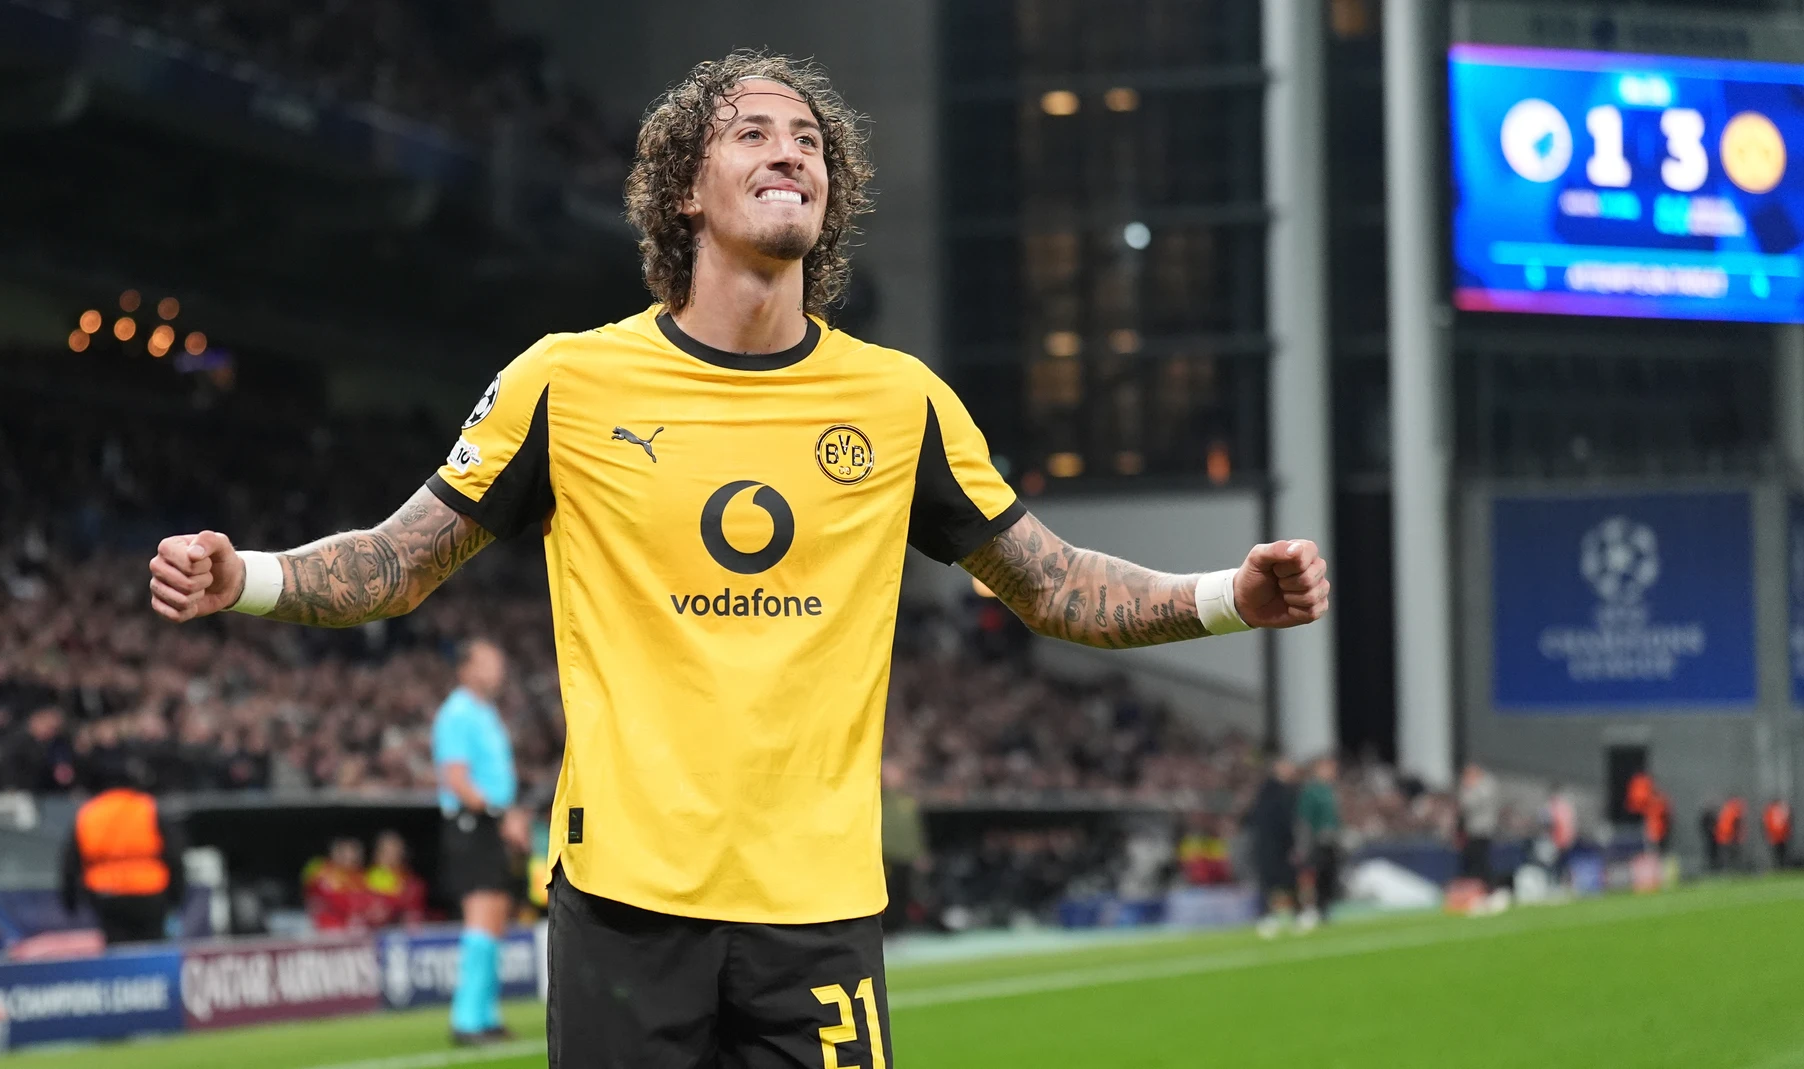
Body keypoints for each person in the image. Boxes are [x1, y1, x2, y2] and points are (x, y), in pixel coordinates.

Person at [143, 50, 1333, 1067]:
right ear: (684, 190)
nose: (789, 151)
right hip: (625, 906)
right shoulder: (567, 381)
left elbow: (1053, 583)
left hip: (819, 911)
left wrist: (1227, 597)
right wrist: (247, 576)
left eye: (808, 139)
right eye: (753, 132)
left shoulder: (900, 401)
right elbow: (400, 560)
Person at [431, 640, 524, 1046]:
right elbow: (456, 778)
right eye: (488, 662)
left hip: (493, 823)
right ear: (465, 668)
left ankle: (487, 1013)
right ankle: (466, 1019)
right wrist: (499, 815)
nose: (497, 670)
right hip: (474, 823)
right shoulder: (457, 713)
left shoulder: (486, 712)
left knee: (497, 917)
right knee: (481, 916)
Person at [58, 776, 185, 945]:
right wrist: (177, 895)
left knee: (117, 949)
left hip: (107, 894)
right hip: (150, 893)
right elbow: (174, 854)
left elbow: (71, 861)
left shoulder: (89, 812)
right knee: (152, 948)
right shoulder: (147, 807)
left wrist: (70, 901)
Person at [1247, 758, 1300, 938]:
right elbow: (1281, 821)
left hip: (1272, 844)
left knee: (1285, 880)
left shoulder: (1276, 791)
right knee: (1273, 881)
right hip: (1271, 844)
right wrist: (1290, 842)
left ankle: (1290, 914)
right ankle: (1269, 916)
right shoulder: (1273, 792)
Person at [878, 758, 929, 931]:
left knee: (904, 893)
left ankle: (898, 928)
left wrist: (920, 853)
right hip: (884, 857)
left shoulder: (908, 802)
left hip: (905, 857)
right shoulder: (877, 799)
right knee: (886, 894)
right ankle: (887, 929)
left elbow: (915, 830)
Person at [1296, 756, 1341, 929]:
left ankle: (1324, 909)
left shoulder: (1329, 790)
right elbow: (1305, 819)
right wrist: (1304, 844)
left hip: (1330, 841)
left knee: (1328, 876)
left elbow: (1334, 818)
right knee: (1311, 877)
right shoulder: (1311, 791)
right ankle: (1307, 909)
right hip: (1315, 842)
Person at [302, 837, 370, 931]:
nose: (351, 857)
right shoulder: (321, 870)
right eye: (346, 852)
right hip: (325, 926)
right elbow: (315, 897)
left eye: (355, 852)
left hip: (352, 927)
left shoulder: (362, 876)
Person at [367, 829, 429, 927]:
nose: (392, 856)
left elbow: (414, 909)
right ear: (377, 853)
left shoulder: (413, 882)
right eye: (387, 851)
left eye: (396, 851)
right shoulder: (364, 880)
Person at [1457, 763, 1500, 886]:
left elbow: (1469, 804)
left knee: (1480, 860)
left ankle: (1486, 885)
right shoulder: (1483, 785)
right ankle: (1479, 885)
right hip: (1474, 829)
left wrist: (1468, 787)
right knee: (1475, 860)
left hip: (1480, 829)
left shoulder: (1483, 786)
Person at [1717, 795, 1747, 871]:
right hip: (1731, 837)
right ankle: (1734, 869)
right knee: (1733, 854)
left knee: (1727, 854)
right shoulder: (1734, 810)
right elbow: (1736, 823)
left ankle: (1728, 869)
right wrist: (1736, 836)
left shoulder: (1726, 809)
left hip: (1724, 836)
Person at [1765, 799, 1793, 870]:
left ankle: (1781, 866)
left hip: (1781, 836)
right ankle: (1778, 866)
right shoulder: (1773, 811)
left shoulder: (1780, 810)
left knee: (1781, 853)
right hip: (1776, 837)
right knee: (1777, 853)